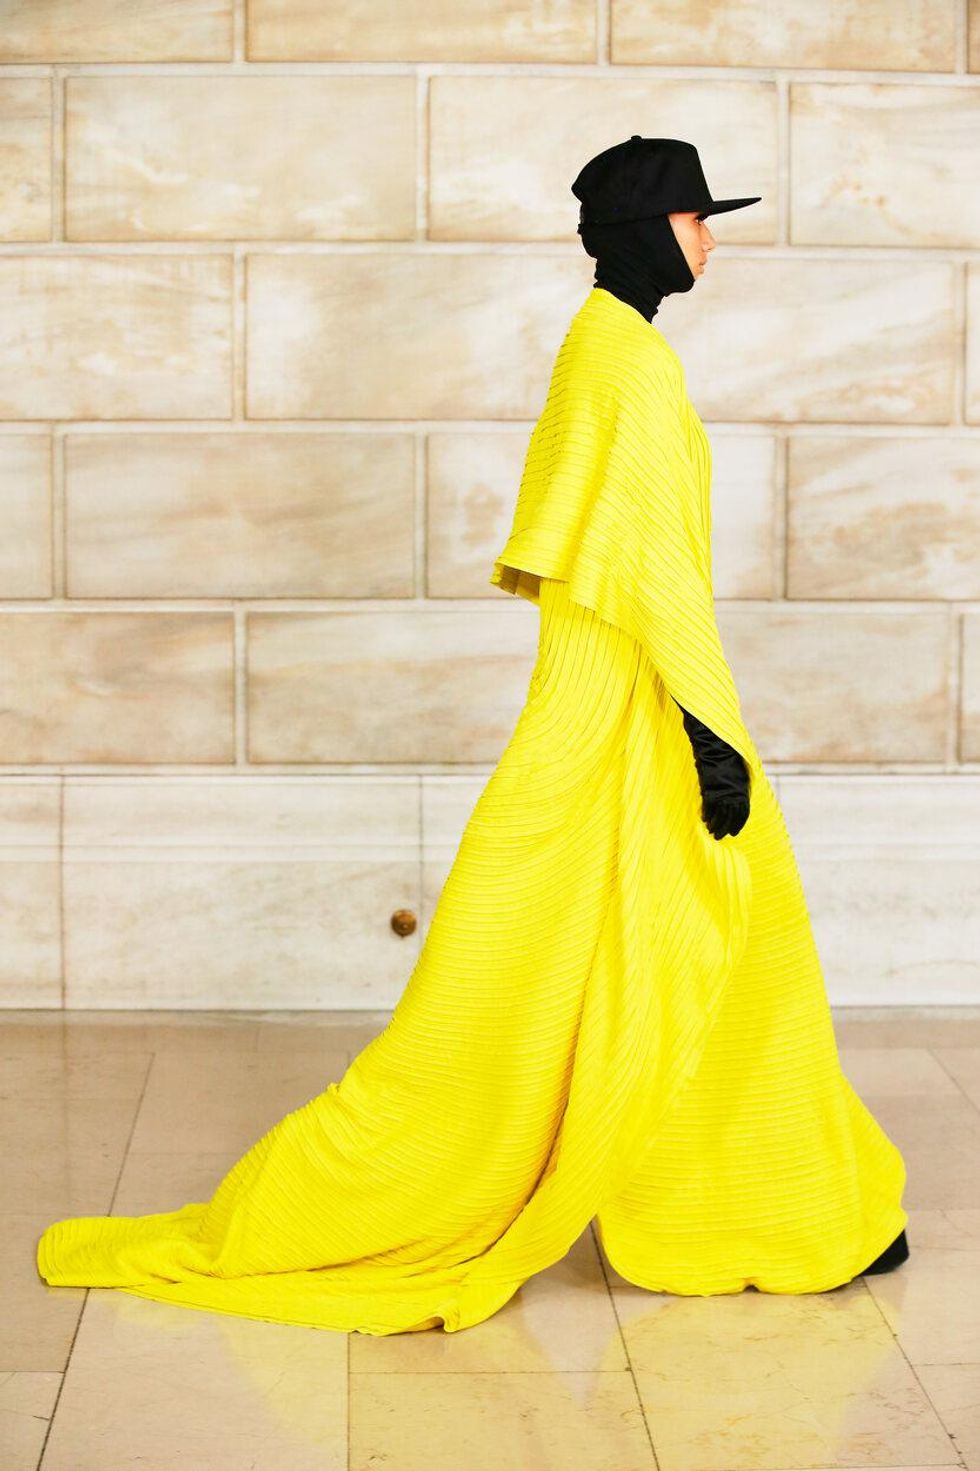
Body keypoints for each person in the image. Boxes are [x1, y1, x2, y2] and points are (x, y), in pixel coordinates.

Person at [34, 137, 908, 1337]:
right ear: (647, 231)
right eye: (696, 219)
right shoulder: (621, 362)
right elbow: (648, 573)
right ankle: (763, 1204)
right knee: (573, 970)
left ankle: (796, 1197)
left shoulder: (608, 350)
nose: (710, 239)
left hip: (629, 705)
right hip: (629, 710)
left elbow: (628, 562)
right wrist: (710, 733)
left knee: (708, 944)